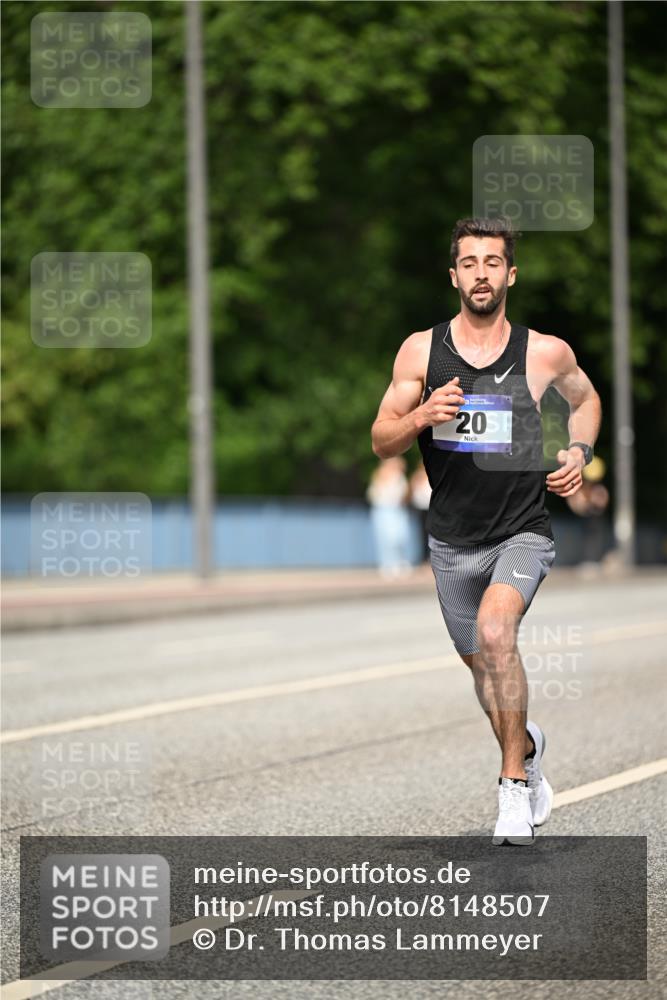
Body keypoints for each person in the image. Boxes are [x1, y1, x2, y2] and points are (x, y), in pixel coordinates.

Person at [371, 217, 601, 845]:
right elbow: (381, 438)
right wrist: (423, 413)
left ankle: (512, 790)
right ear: (454, 276)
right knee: (485, 669)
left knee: (499, 635)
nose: (481, 273)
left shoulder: (543, 352)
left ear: (510, 274)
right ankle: (524, 746)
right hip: (451, 540)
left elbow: (585, 400)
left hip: (521, 530)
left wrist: (579, 449)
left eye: (492, 262)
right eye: (469, 263)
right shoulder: (421, 351)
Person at [366, 457, 412, 577]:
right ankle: (387, 564)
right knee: (385, 539)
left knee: (399, 537)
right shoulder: (378, 476)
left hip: (397, 510)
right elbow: (372, 495)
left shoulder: (400, 478)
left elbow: (404, 494)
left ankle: (400, 561)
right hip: (382, 510)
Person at [409, 463, 432, 563]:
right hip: (421, 508)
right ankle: (424, 556)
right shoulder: (418, 476)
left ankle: (430, 556)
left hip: (432, 507)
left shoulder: (433, 474)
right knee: (423, 533)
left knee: (432, 532)